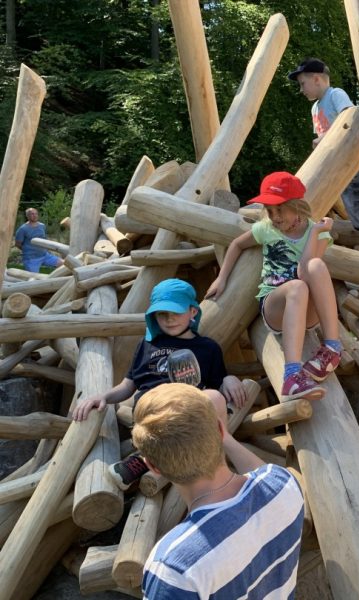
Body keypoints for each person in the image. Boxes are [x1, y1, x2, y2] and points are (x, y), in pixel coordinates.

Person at [73, 278, 246, 490]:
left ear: (193, 312)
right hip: (151, 408)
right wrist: (103, 397)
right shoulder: (148, 344)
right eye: (162, 314)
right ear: (154, 315)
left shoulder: (208, 348)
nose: (169, 319)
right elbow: (128, 386)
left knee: (214, 398)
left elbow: (216, 383)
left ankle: (144, 461)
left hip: (187, 410)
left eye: (176, 312)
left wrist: (228, 378)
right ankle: (149, 459)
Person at [136, 383, 304, 599]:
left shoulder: (174, 567)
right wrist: (224, 436)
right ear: (219, 429)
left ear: (153, 467)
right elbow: (263, 472)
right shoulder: (284, 486)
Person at [206, 171, 341, 402]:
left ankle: (332, 347)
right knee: (297, 287)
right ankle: (291, 375)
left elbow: (305, 267)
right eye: (270, 210)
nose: (275, 216)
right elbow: (237, 244)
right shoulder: (266, 228)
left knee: (316, 266)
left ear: (297, 206)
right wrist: (222, 278)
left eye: (280, 209)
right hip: (277, 305)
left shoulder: (316, 232)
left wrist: (316, 232)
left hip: (308, 311)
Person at [288, 57, 359, 257]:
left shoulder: (335, 95)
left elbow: (350, 120)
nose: (301, 89)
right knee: (314, 204)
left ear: (316, 79)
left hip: (355, 167)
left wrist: (321, 139)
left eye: (303, 84)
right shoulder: (315, 108)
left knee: (358, 215)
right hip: (333, 168)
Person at [14, 207, 64, 273]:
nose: (35, 216)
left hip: (45, 255)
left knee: (64, 264)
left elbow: (44, 240)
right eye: (32, 214)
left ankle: (56, 281)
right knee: (33, 279)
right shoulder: (23, 229)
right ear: (27, 216)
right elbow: (18, 244)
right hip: (31, 259)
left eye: (36, 214)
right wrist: (29, 250)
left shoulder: (42, 226)